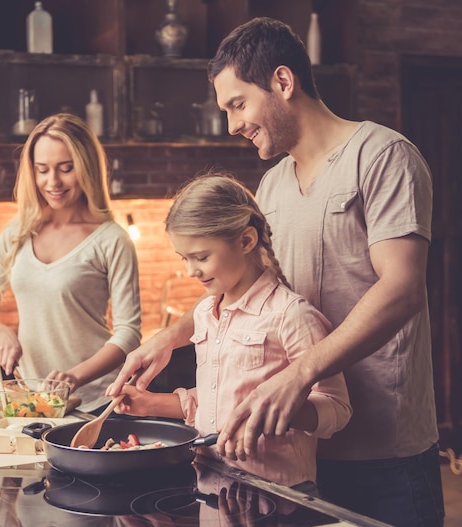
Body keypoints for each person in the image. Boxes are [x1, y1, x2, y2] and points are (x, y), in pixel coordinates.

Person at [107, 17, 444, 527]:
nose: (231, 124)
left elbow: (402, 289)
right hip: (297, 458)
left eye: (238, 104)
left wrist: (300, 374)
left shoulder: (382, 157)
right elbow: (251, 296)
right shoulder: (271, 187)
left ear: (283, 83)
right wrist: (169, 339)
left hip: (384, 449)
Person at [114, 173, 351, 488]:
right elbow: (216, 400)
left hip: (280, 497)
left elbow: (337, 409)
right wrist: (149, 404)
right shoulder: (204, 314)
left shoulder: (291, 316)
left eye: (201, 257)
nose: (190, 271)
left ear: (246, 241)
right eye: (184, 258)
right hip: (213, 483)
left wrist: (280, 409)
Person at [0, 113, 142, 413]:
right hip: (33, 401)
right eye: (42, 170)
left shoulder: (111, 240)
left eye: (66, 168)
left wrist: (73, 377)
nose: (53, 182)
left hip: (97, 403)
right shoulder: (17, 232)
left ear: (86, 167)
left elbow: (129, 333)